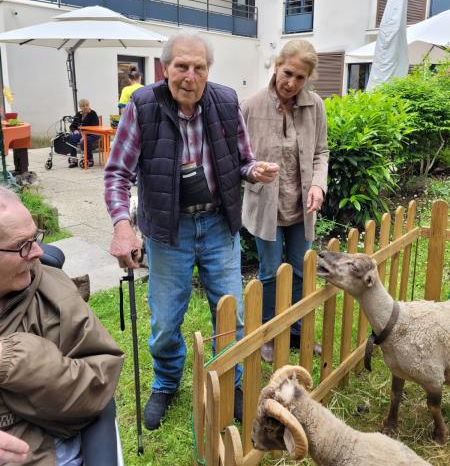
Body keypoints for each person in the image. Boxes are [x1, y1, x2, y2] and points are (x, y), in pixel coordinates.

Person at [104, 31, 278, 431]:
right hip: (169, 230)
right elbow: (117, 173)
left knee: (232, 312)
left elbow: (242, 159)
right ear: (165, 68)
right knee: (166, 320)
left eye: (199, 67)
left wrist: (255, 170)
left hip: (218, 224)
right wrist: (122, 226)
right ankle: (167, 383)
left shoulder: (226, 101)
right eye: (182, 66)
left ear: (208, 70)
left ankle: (231, 380)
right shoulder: (143, 105)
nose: (190, 76)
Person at [0, 187, 124, 465]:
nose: (37, 252)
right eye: (22, 246)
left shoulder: (52, 296)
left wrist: (12, 359)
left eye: (35, 238)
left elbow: (97, 387)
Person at [241, 39, 329, 363]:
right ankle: (267, 334)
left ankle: (296, 332)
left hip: (301, 208)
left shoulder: (315, 106)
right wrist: (253, 171)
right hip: (266, 208)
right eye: (288, 73)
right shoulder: (250, 106)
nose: (291, 82)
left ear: (308, 78)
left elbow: (321, 152)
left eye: (300, 77)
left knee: (301, 272)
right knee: (269, 273)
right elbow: (239, 158)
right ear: (277, 66)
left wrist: (318, 185)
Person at [68, 99, 100, 168]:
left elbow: (95, 127)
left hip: (93, 133)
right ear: (80, 107)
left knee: (84, 140)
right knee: (72, 138)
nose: (85, 107)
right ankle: (74, 160)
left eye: (87, 105)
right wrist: (75, 130)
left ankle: (89, 159)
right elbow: (72, 126)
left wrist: (84, 134)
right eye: (83, 106)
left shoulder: (93, 113)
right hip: (81, 134)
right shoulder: (78, 114)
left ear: (89, 105)